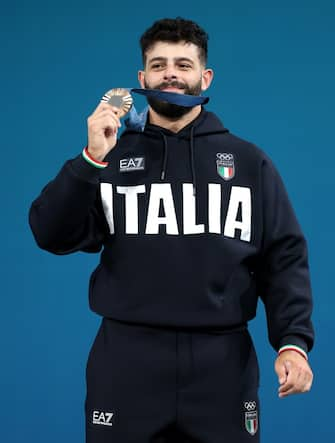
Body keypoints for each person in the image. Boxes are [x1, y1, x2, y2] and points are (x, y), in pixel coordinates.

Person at [29, 17, 314, 443]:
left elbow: (284, 257)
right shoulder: (109, 156)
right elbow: (50, 233)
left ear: (205, 75)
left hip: (222, 364)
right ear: (142, 77)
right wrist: (90, 159)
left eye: (183, 64)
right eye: (159, 64)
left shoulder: (249, 162)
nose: (171, 74)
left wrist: (292, 342)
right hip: (127, 361)